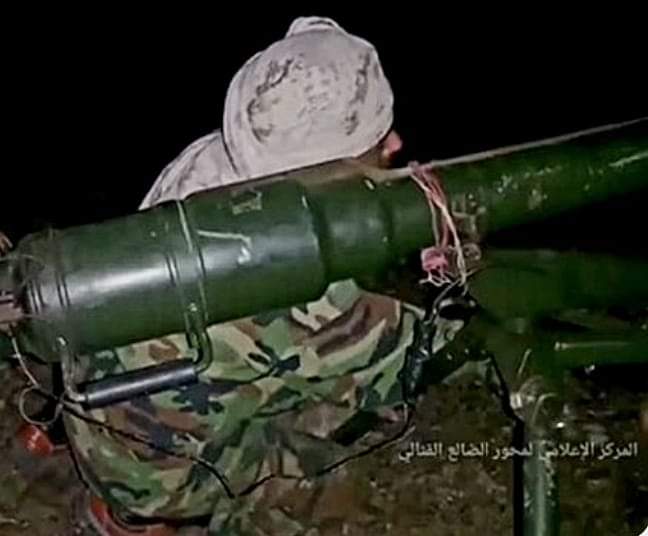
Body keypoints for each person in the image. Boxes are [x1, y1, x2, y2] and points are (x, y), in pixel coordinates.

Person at [65, 17, 423, 536]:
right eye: (376, 137)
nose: (395, 142)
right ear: (325, 169)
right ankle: (149, 518)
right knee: (326, 465)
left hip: (94, 406)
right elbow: (414, 357)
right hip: (146, 476)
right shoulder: (294, 284)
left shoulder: (204, 170)